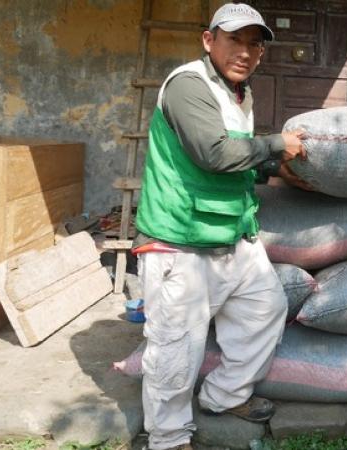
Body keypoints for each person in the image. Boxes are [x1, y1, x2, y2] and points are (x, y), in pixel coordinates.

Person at [132, 3, 310, 449]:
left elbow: (234, 159)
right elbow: (212, 153)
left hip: (231, 233)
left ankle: (222, 395)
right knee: (177, 346)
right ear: (209, 40)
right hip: (180, 240)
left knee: (265, 310)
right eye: (235, 39)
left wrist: (270, 168)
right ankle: (169, 438)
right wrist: (275, 144)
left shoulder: (238, 92)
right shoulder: (187, 85)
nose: (246, 51)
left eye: (255, 43)